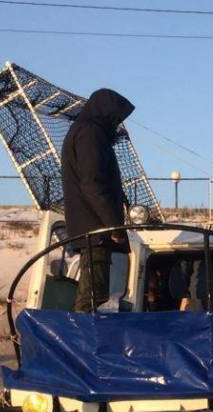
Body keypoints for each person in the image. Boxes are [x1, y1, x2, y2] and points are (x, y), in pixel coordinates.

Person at [61, 88, 134, 312]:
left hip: (92, 226)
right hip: (95, 228)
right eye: (115, 118)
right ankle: (85, 332)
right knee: (92, 297)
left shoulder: (85, 131)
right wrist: (113, 225)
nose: (117, 124)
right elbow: (93, 183)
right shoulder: (90, 134)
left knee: (96, 294)